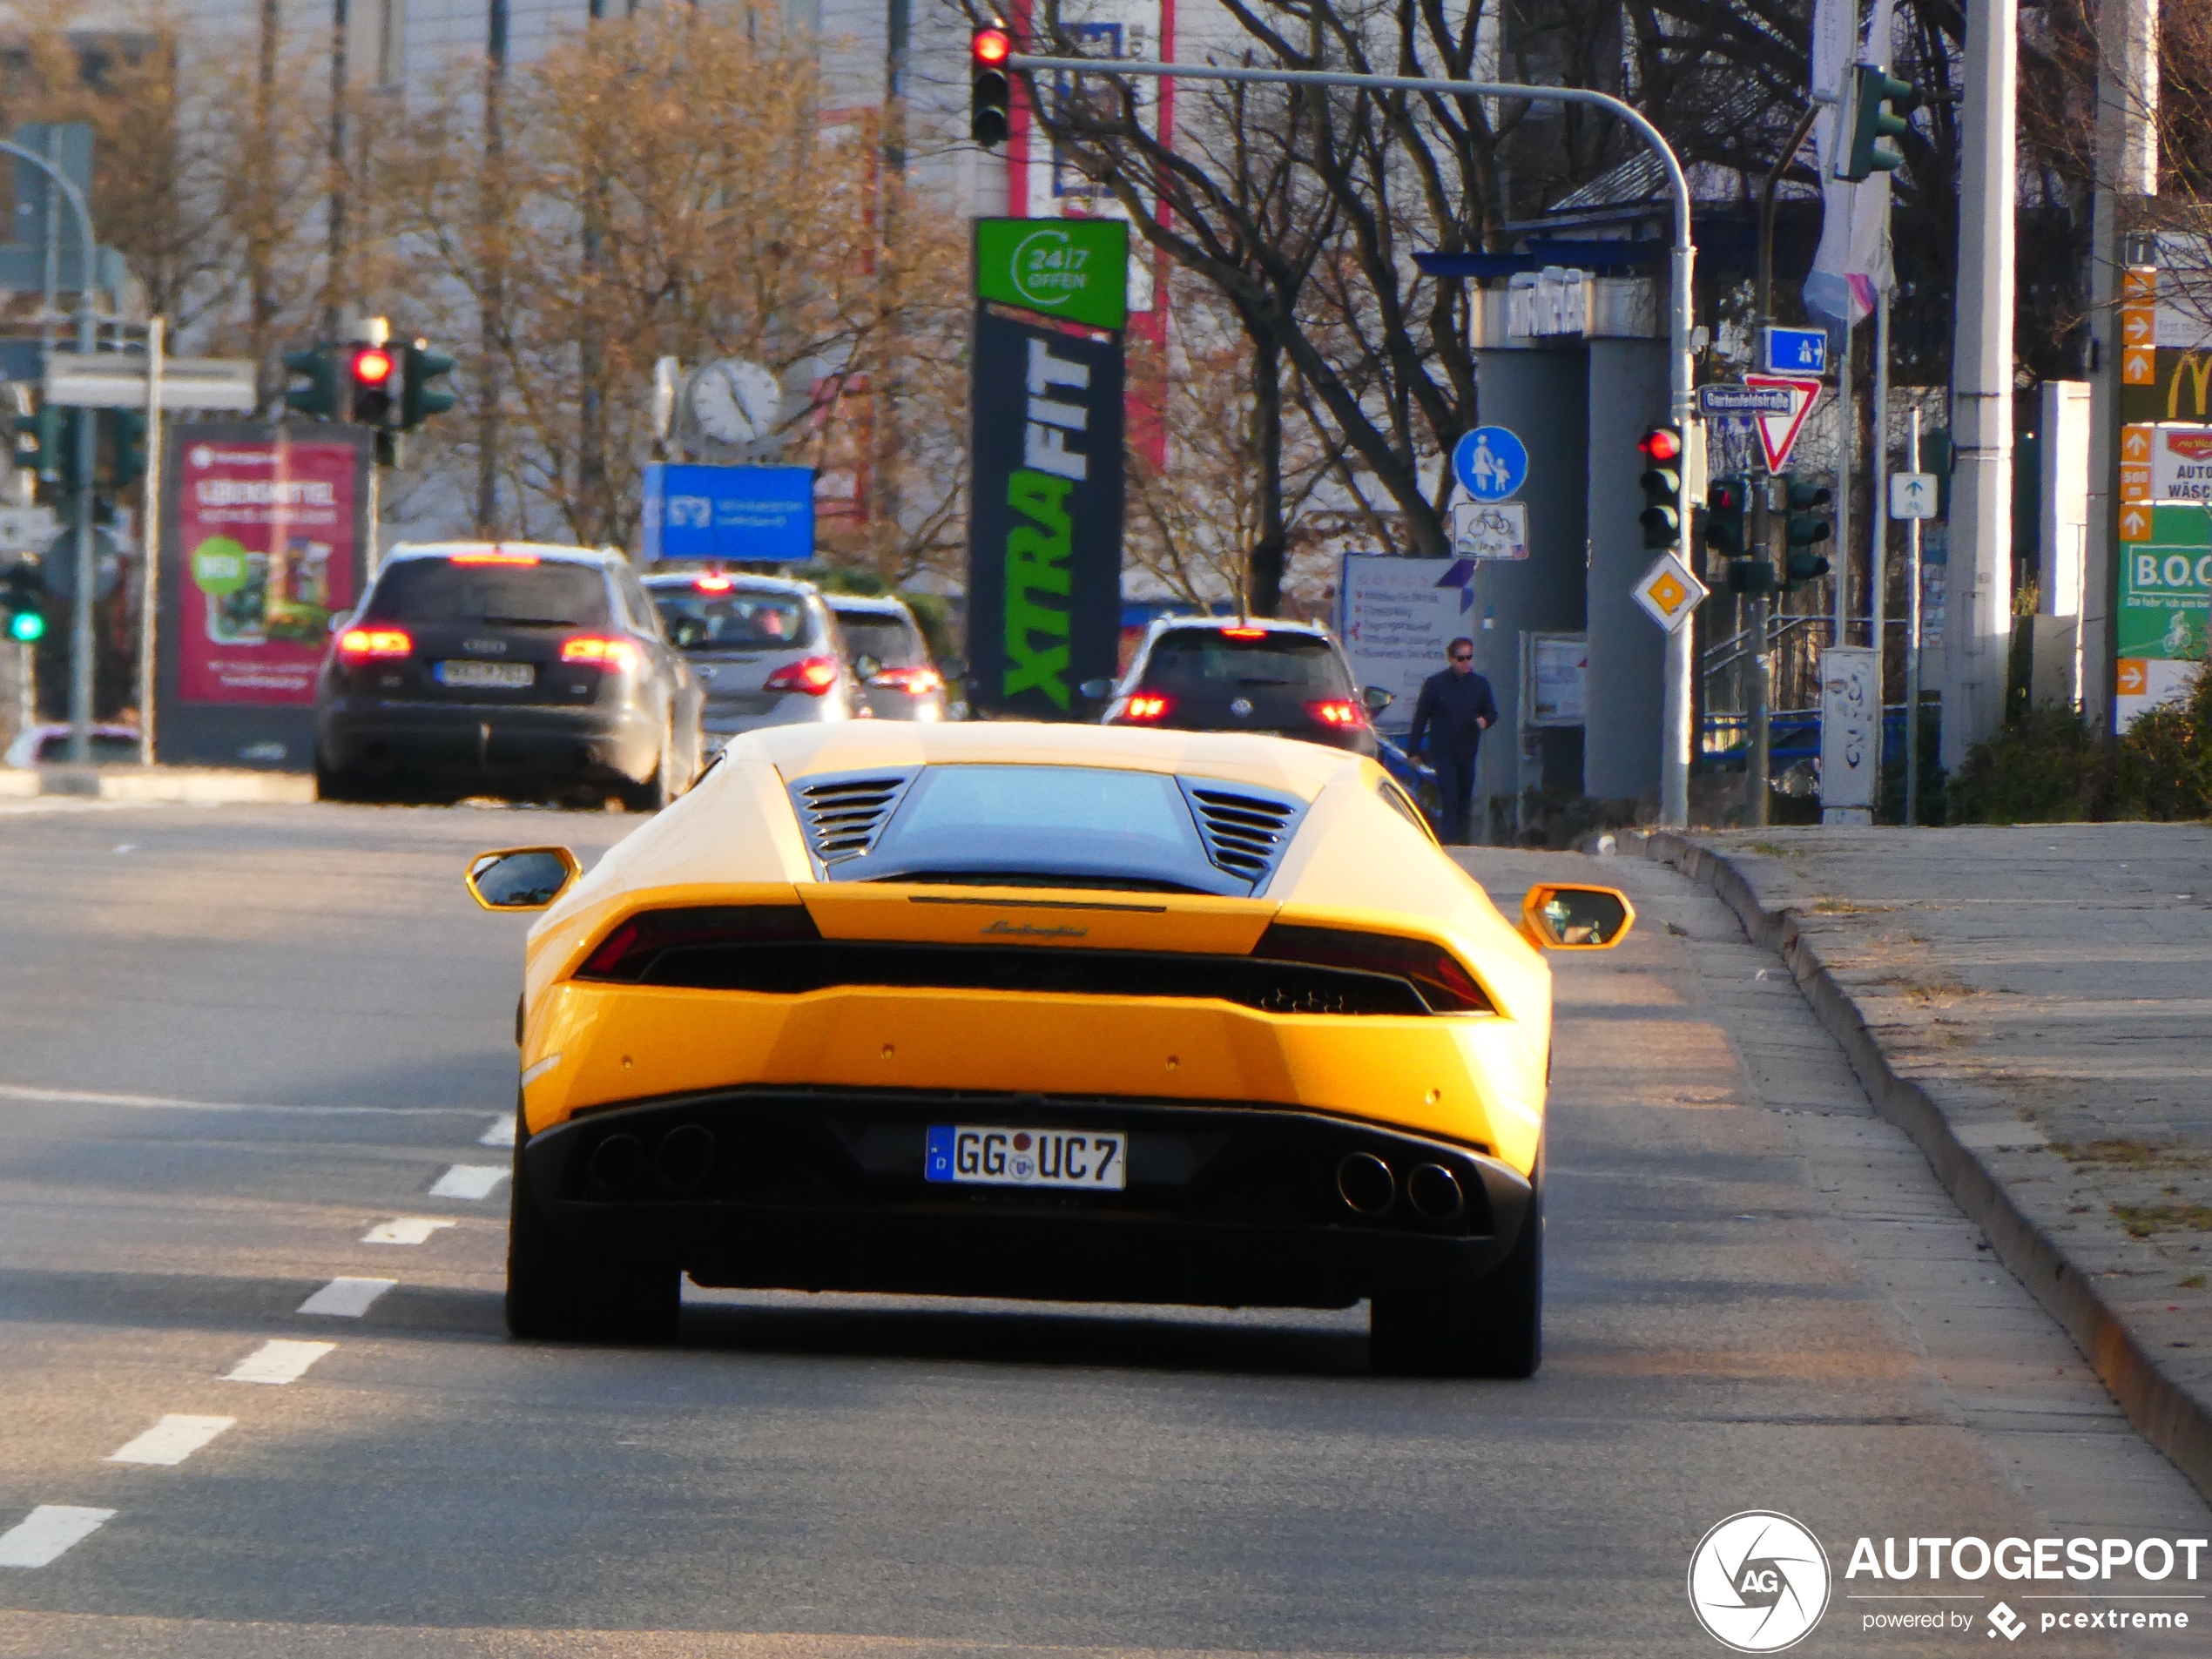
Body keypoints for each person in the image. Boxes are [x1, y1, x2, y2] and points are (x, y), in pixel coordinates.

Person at [1407, 637, 1498, 846]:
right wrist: (1413, 750)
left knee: (1465, 797)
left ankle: (1464, 842)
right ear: (1451, 659)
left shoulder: (1479, 684)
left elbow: (1492, 712)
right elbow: (1421, 717)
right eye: (1461, 658)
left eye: (1469, 657)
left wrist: (1485, 720)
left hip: (1467, 749)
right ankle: (1449, 842)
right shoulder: (1435, 684)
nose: (1466, 663)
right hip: (1443, 749)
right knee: (1450, 796)